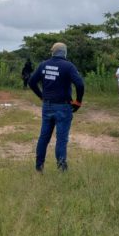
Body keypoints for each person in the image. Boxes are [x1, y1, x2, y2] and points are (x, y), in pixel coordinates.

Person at [28, 43, 84, 172]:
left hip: (47, 106)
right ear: (64, 53)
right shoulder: (68, 66)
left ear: (53, 52)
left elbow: (31, 82)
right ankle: (61, 169)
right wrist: (78, 102)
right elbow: (80, 85)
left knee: (44, 137)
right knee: (61, 139)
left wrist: (41, 96)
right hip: (63, 107)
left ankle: (39, 167)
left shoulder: (44, 64)